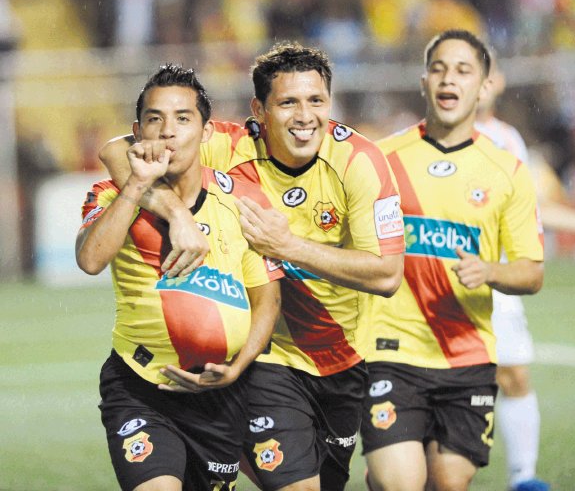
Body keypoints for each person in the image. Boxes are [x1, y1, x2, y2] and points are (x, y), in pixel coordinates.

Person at [99, 43, 406, 491]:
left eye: (316, 101)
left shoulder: (360, 162)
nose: (305, 116)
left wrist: (287, 245)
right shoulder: (229, 145)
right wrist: (178, 214)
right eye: (288, 103)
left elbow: (386, 275)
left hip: (343, 355)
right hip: (266, 355)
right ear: (258, 110)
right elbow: (117, 151)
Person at [76, 64, 283, 491]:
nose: (168, 131)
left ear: (207, 131)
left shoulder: (239, 199)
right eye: (155, 119)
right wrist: (137, 185)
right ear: (138, 130)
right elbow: (91, 259)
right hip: (141, 386)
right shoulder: (113, 194)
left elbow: (267, 300)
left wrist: (238, 367)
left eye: (183, 119)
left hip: (221, 393)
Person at [359, 29, 544, 491]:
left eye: (463, 70)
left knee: (447, 482)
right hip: (390, 351)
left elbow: (532, 272)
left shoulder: (508, 171)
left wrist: (492, 271)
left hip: (467, 355)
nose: (449, 78)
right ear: (424, 81)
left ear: (484, 87)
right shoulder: (382, 159)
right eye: (439, 68)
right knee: (404, 483)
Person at [475, 60, 575, 491]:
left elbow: (526, 207)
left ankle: (523, 478)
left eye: (482, 72)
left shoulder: (507, 138)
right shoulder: (424, 138)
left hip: (497, 276)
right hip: (438, 280)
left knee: (515, 375)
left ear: (497, 82)